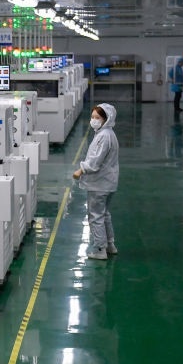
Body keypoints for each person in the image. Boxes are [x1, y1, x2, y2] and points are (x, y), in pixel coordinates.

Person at [73, 103, 119, 260]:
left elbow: (95, 162)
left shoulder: (103, 136)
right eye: (92, 117)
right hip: (108, 182)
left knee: (96, 216)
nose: (93, 120)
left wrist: (81, 170)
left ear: (106, 119)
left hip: (99, 183)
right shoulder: (108, 133)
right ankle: (110, 245)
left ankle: (100, 249)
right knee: (104, 214)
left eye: (97, 117)